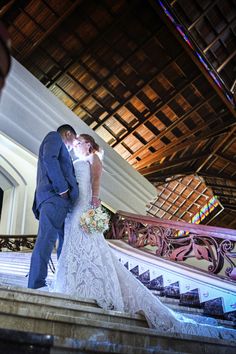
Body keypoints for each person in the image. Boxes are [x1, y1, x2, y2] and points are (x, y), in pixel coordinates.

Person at [51, 134, 236, 341]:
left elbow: (96, 183)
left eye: (79, 143)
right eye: (74, 144)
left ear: (88, 144)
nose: (75, 146)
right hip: (74, 208)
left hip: (85, 206)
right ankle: (74, 283)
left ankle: (96, 287)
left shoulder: (93, 159)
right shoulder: (75, 161)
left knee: (89, 245)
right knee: (76, 245)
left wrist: (94, 204)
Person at [28, 124, 79, 289]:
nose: (73, 147)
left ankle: (61, 280)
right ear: (68, 133)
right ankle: (36, 284)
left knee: (64, 242)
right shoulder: (54, 137)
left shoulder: (57, 141)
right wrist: (62, 188)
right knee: (46, 240)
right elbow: (49, 159)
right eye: (73, 141)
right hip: (54, 197)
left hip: (59, 202)